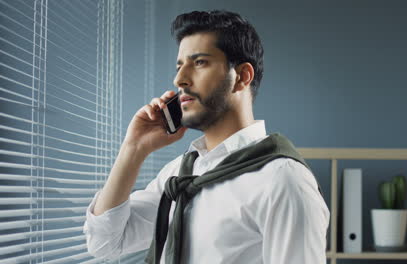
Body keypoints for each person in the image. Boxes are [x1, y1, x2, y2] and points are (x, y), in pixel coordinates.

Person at [83, 10, 329, 264]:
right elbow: (105, 243)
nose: (180, 79)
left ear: (242, 77)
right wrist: (133, 149)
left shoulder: (283, 181)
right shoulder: (179, 174)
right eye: (179, 66)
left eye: (199, 62)